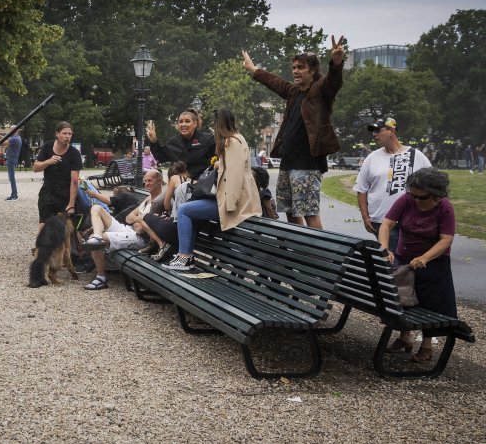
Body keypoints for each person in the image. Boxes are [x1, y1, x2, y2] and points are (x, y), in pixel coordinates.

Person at [242, 36, 347, 229]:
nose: (296, 71)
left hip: (307, 164)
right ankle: (299, 250)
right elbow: (275, 82)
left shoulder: (321, 90)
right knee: (289, 210)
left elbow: (334, 81)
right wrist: (253, 69)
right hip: (288, 162)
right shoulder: (293, 92)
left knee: (308, 212)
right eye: (294, 68)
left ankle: (318, 254)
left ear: (313, 70)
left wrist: (337, 62)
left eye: (301, 67)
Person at [165, 108, 261, 270]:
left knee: (184, 210)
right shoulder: (237, 140)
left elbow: (235, 176)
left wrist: (229, 206)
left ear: (220, 125)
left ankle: (185, 257)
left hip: (233, 204)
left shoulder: (233, 142)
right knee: (189, 209)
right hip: (227, 200)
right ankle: (185, 256)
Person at [379, 168, 456, 363]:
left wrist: (425, 257)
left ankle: (427, 346)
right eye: (413, 195)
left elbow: (446, 240)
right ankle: (405, 338)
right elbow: (386, 224)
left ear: (437, 195)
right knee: (404, 297)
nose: (416, 200)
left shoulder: (445, 208)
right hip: (405, 258)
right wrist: (385, 248)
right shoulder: (407, 199)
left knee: (430, 304)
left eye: (421, 197)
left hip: (434, 264)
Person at [354, 117, 431, 252]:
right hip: (380, 221)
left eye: (378, 130)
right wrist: (365, 217)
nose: (374, 134)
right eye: (373, 131)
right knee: (393, 261)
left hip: (411, 220)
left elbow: (433, 185)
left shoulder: (416, 155)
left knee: (403, 261)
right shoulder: (372, 158)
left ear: (391, 130)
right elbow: (361, 189)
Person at [81, 169, 164, 289]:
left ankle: (101, 278)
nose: (146, 183)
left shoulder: (161, 201)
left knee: (91, 238)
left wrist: (138, 220)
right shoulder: (147, 199)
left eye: (150, 180)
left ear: (159, 181)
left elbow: (141, 229)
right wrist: (140, 220)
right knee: (96, 208)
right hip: (129, 229)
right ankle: (97, 237)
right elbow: (129, 217)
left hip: (140, 239)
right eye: (145, 181)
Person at [33, 122, 82, 231]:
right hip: (48, 193)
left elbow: (74, 180)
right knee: (43, 226)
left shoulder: (74, 154)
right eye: (64, 133)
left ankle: (67, 248)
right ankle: (41, 248)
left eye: (70, 134)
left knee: (67, 229)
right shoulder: (47, 147)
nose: (67, 136)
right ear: (57, 134)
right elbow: (35, 168)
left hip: (65, 196)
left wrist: (71, 204)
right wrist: (48, 162)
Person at [137, 161, 189, 262]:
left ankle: (159, 245)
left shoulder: (174, 180)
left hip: (175, 229)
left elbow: (166, 205)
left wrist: (168, 214)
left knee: (145, 216)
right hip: (186, 230)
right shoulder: (192, 181)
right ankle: (157, 246)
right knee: (156, 217)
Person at [146, 109, 216, 180]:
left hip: (203, 184)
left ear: (195, 124)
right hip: (181, 185)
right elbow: (160, 157)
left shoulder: (207, 139)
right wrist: (154, 141)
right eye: (181, 122)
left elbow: (220, 155)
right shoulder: (174, 141)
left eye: (187, 121)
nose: (183, 124)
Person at [0, 129, 21, 200]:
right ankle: (14, 194)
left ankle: (14, 195)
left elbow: (3, 143)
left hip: (11, 159)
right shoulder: (16, 137)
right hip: (12, 159)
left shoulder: (14, 139)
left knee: (11, 177)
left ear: (15, 130)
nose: (10, 131)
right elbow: (5, 138)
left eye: (11, 130)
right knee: (11, 177)